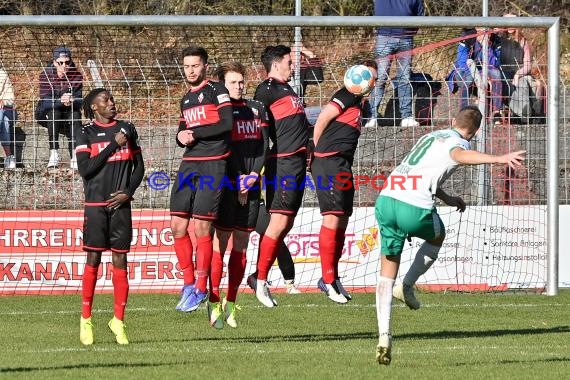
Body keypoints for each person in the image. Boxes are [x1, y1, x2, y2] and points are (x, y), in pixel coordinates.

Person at [373, 105, 525, 365]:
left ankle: (384, 335)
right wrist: (499, 159)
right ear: (475, 132)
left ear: (453, 120)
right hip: (413, 206)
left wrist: (447, 197)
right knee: (438, 235)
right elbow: (458, 155)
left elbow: (425, 171)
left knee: (387, 267)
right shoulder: (458, 144)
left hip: (386, 200)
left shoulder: (430, 136)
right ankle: (407, 286)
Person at [77, 88, 145, 346]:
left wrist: (128, 192)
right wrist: (112, 146)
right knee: (93, 257)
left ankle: (118, 321)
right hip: (95, 205)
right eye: (106, 101)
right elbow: (86, 169)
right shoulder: (85, 132)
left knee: (121, 260)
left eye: (112, 99)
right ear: (95, 107)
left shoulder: (128, 129)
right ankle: (86, 319)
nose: (112, 103)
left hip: (120, 207)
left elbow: (139, 166)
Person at [170, 46, 233, 313]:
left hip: (213, 164)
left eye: (195, 65)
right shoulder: (185, 99)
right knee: (177, 226)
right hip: (189, 164)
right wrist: (180, 136)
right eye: (186, 66)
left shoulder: (217, 90)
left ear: (205, 66)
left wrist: (195, 133)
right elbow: (183, 130)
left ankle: (201, 286)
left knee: (202, 229)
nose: (190, 70)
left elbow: (226, 123)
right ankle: (187, 285)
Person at [311, 59, 378, 304]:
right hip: (328, 161)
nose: (371, 80)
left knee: (342, 218)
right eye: (368, 75)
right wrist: (315, 150)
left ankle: (333, 276)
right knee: (331, 217)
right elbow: (323, 118)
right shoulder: (346, 94)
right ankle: (327, 279)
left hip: (342, 164)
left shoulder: (361, 105)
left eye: (374, 77)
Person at [249, 45, 311, 308]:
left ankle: (256, 276)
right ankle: (261, 281)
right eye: (288, 61)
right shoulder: (265, 90)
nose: (292, 66)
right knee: (278, 223)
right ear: (276, 65)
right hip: (282, 163)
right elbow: (256, 128)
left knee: (285, 226)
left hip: (297, 163)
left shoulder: (287, 88)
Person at [208, 61, 269, 329]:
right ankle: (213, 301)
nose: (239, 86)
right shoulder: (219, 111)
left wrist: (253, 176)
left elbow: (263, 145)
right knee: (219, 245)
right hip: (227, 183)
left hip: (252, 182)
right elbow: (222, 147)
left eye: (241, 81)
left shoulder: (256, 109)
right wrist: (237, 181)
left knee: (242, 245)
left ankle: (231, 303)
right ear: (223, 84)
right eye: (233, 82)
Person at [367, 0, 423, 128]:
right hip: (384, 37)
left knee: (405, 78)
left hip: (406, 38)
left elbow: (419, 17)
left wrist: (409, 32)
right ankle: (372, 116)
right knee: (380, 77)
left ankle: (407, 117)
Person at [37, 46, 83, 169]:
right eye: (60, 62)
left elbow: (80, 101)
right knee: (54, 113)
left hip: (69, 111)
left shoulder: (77, 76)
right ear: (54, 62)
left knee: (76, 115)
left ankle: (75, 156)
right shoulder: (45, 75)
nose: (64, 65)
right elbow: (45, 102)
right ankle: (54, 153)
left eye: (67, 62)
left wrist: (72, 100)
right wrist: (61, 101)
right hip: (48, 112)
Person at [446, 28, 503, 120]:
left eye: (487, 32)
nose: (485, 34)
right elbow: (462, 61)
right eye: (481, 31)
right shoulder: (467, 37)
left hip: (484, 69)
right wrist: (477, 74)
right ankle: (463, 110)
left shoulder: (495, 40)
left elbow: (494, 63)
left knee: (496, 74)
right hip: (465, 69)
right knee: (468, 79)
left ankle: (497, 111)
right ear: (477, 29)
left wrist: (488, 47)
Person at [499, 14, 545, 119]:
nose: (510, 26)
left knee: (525, 81)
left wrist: (518, 74)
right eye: (507, 23)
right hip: (503, 73)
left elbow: (527, 65)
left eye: (513, 23)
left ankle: (530, 111)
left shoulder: (523, 42)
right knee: (520, 83)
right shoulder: (500, 40)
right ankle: (525, 112)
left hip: (520, 74)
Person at [0, 67, 16, 170]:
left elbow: (11, 99)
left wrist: (2, 101)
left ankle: (9, 157)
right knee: (4, 122)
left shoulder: (2, 74)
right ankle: (8, 156)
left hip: (7, 110)